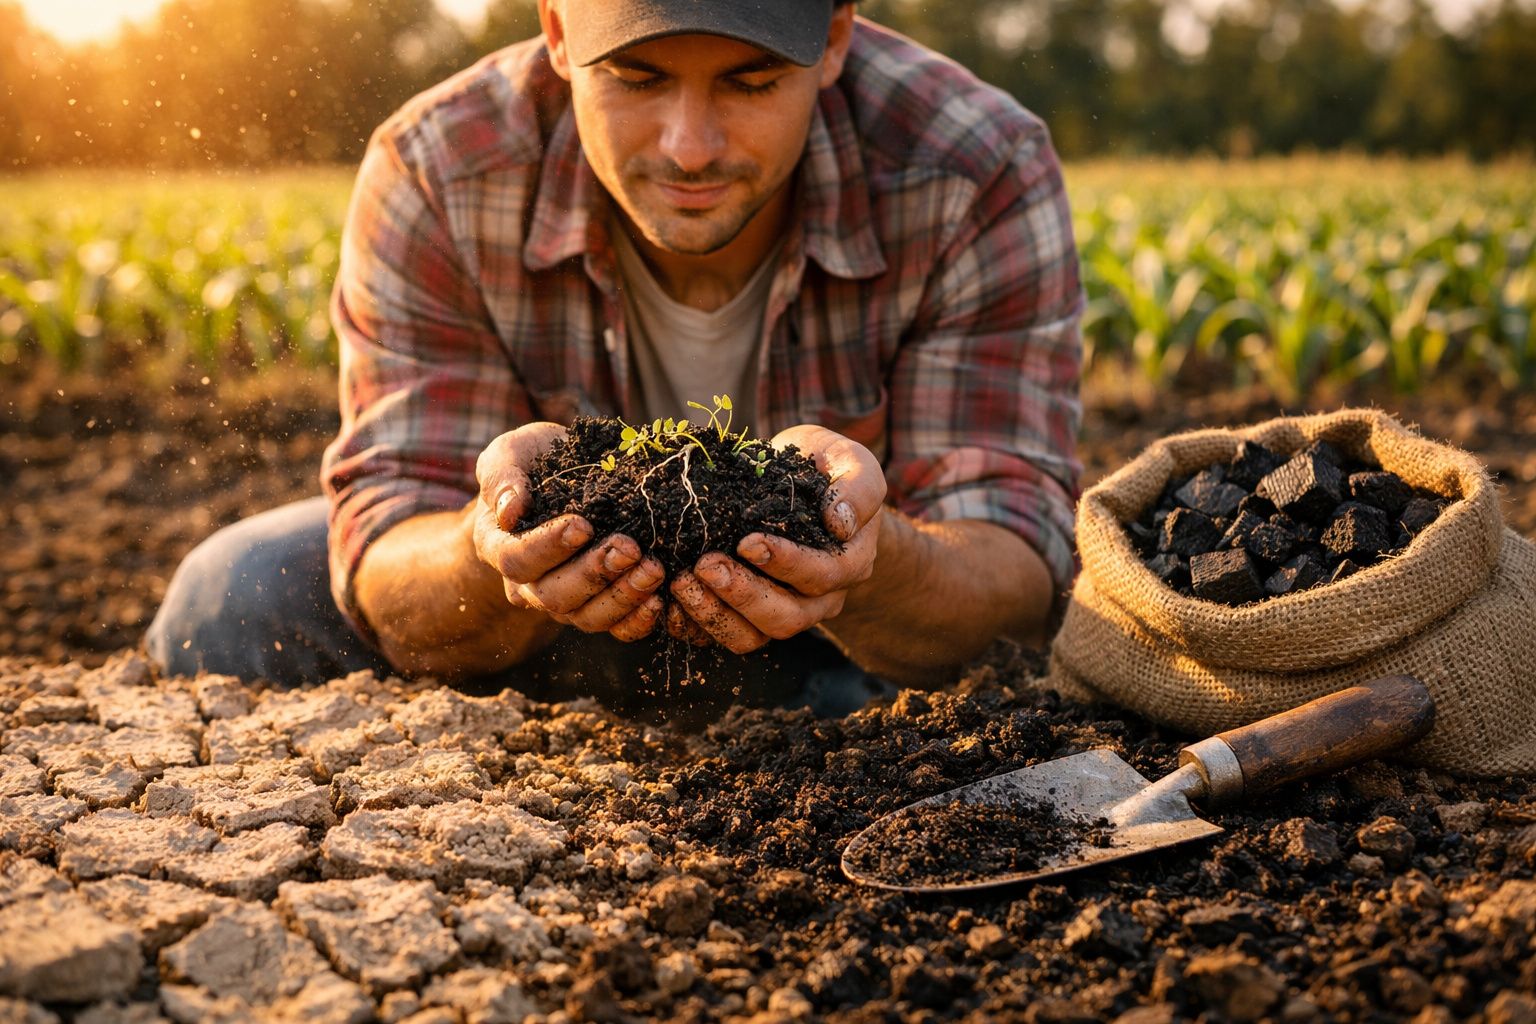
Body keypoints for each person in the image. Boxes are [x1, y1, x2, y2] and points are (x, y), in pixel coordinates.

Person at [146, 0, 1083, 713]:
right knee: (231, 598)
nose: (689, 147)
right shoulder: (442, 168)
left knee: (956, 705)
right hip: (536, 632)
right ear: (556, 30)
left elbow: (1014, 562)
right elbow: (393, 524)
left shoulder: (974, 167)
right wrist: (492, 548)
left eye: (751, 82)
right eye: (637, 78)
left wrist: (869, 562)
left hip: (842, 637)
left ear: (835, 37)